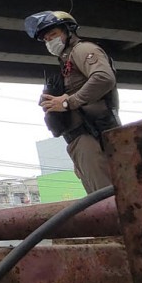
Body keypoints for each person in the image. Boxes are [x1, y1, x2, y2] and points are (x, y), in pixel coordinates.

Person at [25, 11, 120, 193]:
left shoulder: (82, 49)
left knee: (106, 199)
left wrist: (69, 102)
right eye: (45, 39)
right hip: (81, 141)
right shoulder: (66, 61)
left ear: (68, 31)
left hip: (94, 135)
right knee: (98, 199)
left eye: (53, 35)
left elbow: (104, 78)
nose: (49, 41)